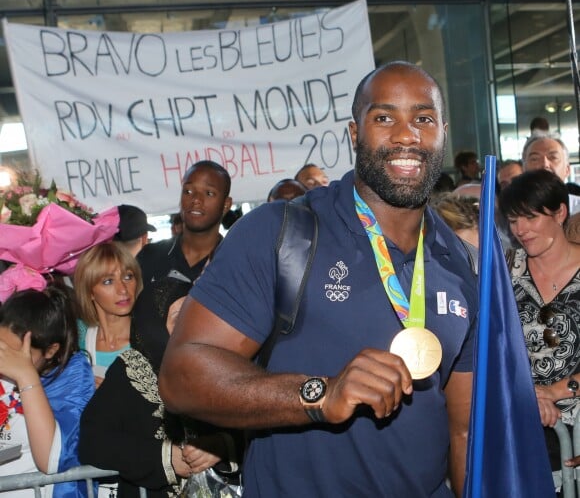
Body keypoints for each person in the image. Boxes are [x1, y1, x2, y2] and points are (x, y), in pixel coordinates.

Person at [159, 61, 478, 497]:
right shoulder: (281, 232)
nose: (407, 135)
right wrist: (321, 395)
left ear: (442, 131)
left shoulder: (465, 264)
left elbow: (464, 432)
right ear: (353, 134)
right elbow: (180, 378)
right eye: (384, 117)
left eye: (423, 119)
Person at [79, 276, 240, 498]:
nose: (190, 325)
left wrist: (223, 446)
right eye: (177, 318)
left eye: (193, 315)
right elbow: (93, 442)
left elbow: (253, 426)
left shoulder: (217, 363)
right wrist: (164, 458)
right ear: (153, 325)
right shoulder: (129, 371)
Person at [498, 169, 580, 479]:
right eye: (513, 220)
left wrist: (553, 390)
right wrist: (527, 394)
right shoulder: (504, 270)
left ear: (560, 212)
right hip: (521, 426)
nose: (521, 230)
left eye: (530, 218)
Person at [0, 286, 95, 497]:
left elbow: (51, 460)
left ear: (51, 350)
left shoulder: (71, 375)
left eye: (16, 353)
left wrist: (25, 375)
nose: (6, 360)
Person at [137, 161, 232, 289]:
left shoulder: (235, 264)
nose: (196, 199)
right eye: (188, 191)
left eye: (209, 193)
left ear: (226, 204)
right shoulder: (149, 257)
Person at [74, 242, 143, 386]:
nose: (123, 289)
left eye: (128, 277)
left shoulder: (153, 337)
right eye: (108, 281)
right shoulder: (78, 339)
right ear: (89, 292)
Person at [522, 131, 580, 215]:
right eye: (535, 159)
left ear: (567, 169)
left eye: (553, 157)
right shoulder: (512, 215)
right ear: (524, 169)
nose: (545, 164)